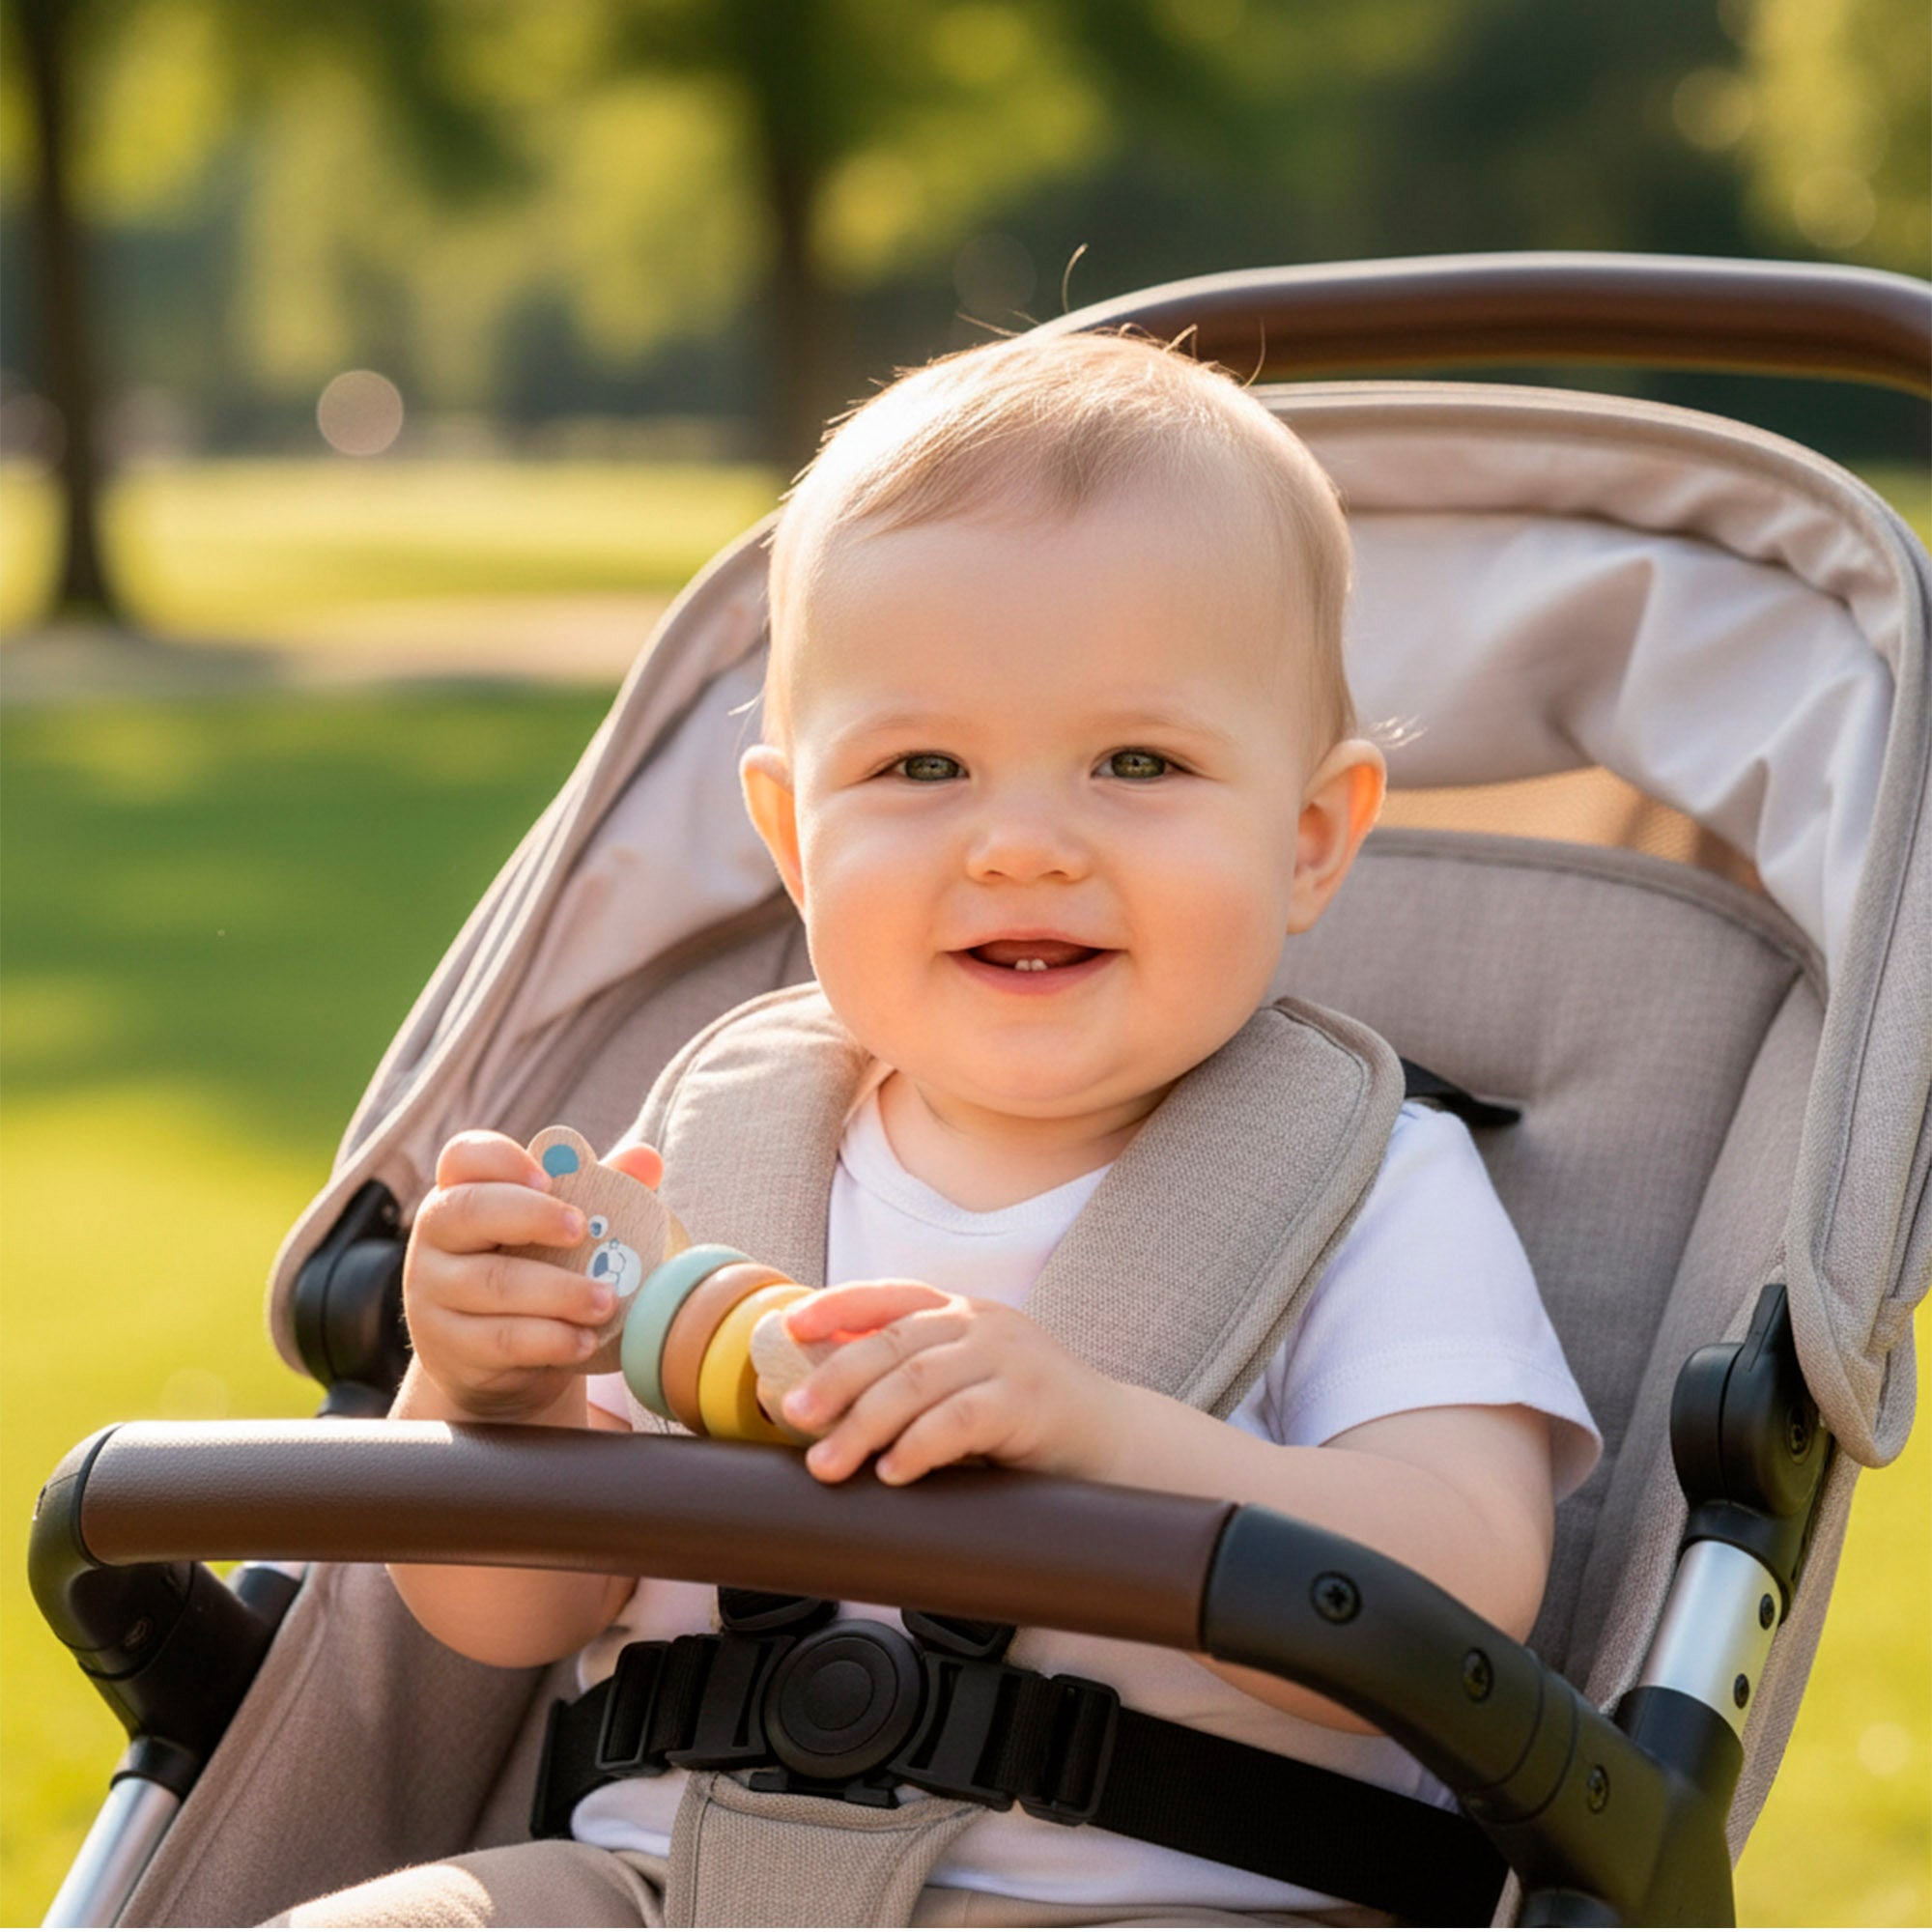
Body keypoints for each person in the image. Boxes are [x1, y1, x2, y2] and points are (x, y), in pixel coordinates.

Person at [300, 332, 1600, 1926]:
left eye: (1139, 762)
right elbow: (514, 1621)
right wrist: (492, 1398)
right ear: (794, 837)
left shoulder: (1366, 1185)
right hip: (659, 1886)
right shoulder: (709, 1152)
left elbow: (1465, 1599)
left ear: (1313, 837)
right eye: (923, 765)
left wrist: (1104, 1441)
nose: (1022, 845)